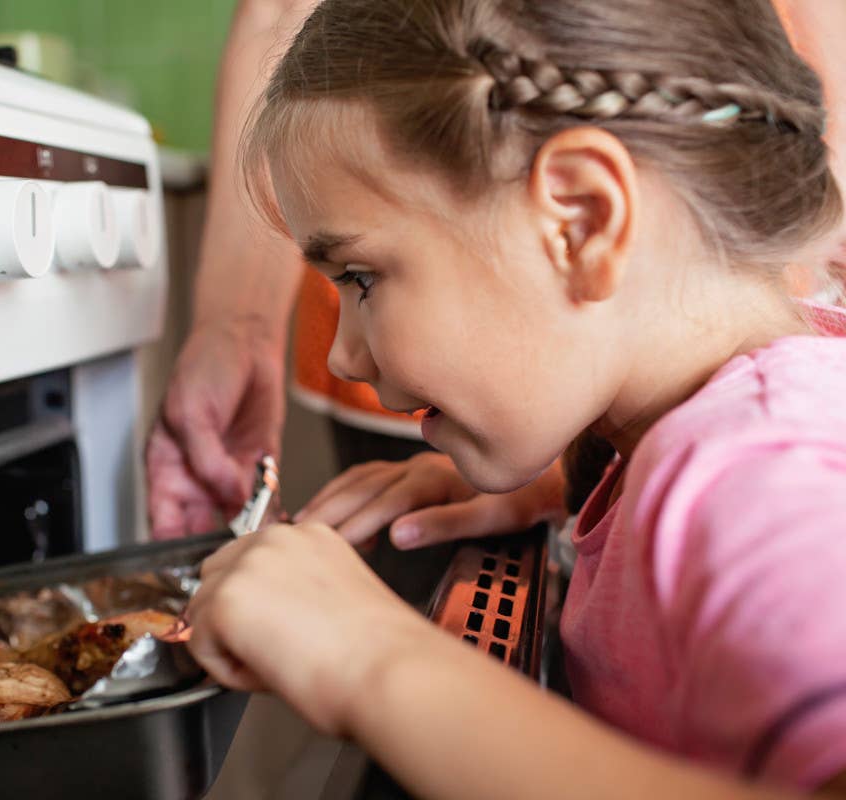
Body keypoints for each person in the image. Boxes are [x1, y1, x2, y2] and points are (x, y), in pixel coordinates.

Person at [183, 0, 846, 796]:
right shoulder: (703, 437)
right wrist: (570, 484)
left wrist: (367, 658)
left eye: (361, 279)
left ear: (581, 219)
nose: (342, 354)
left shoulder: (760, 478)